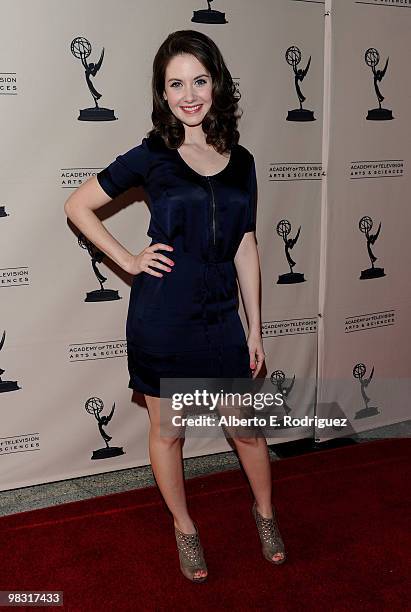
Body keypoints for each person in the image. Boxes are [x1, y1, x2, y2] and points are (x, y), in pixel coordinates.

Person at [64, 29, 286, 583]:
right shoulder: (153, 155)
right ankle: (185, 527)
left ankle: (265, 515)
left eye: (199, 80)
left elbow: (246, 244)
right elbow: (78, 205)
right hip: (163, 317)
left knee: (247, 430)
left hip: (221, 319)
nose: (189, 94)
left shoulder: (243, 161)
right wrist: (128, 260)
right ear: (163, 94)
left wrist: (254, 327)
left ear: (217, 83)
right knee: (169, 432)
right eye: (176, 84)